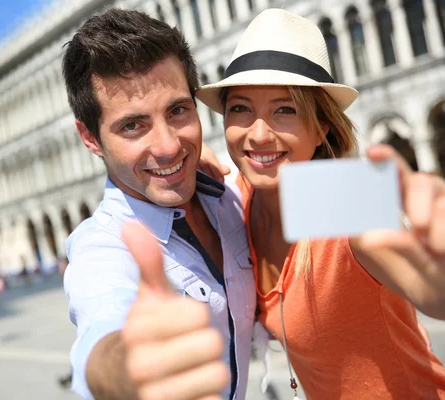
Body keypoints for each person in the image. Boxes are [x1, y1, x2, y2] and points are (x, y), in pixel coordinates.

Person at [196, 8, 445, 399]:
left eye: (285, 110)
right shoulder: (239, 200)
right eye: (240, 108)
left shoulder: (341, 198)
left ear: (320, 128)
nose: (258, 134)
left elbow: (434, 293)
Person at [61, 8, 255, 400]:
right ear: (91, 138)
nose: (168, 146)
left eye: (178, 110)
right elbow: (102, 328)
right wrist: (130, 369)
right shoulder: (104, 246)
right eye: (132, 125)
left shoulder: (228, 196)